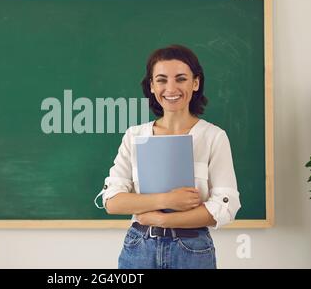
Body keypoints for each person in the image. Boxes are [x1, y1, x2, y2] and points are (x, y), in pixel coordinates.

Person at [94, 44, 241, 269]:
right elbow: (113, 201)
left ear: (195, 83)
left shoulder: (213, 137)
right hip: (139, 247)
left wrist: (163, 219)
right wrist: (167, 200)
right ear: (152, 86)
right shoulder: (135, 135)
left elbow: (225, 207)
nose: (171, 88)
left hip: (192, 249)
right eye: (161, 80)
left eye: (181, 78)